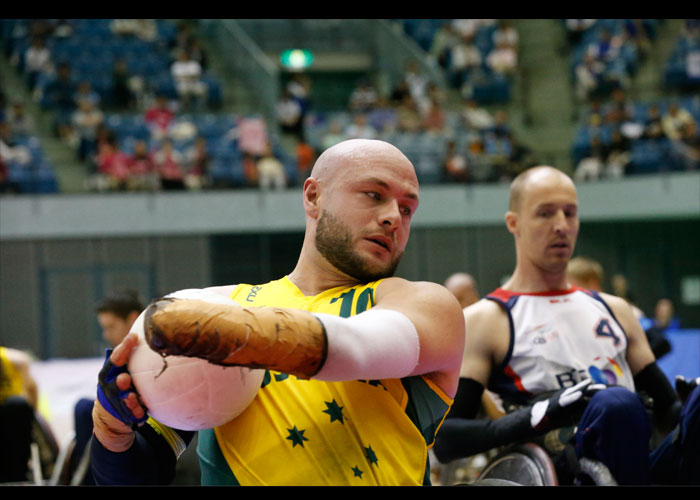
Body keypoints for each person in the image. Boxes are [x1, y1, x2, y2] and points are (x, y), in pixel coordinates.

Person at [89, 138, 465, 486]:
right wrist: (112, 430)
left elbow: (357, 346)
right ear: (313, 197)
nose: (393, 218)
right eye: (373, 194)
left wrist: (238, 335)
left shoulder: (428, 305)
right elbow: (136, 476)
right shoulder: (219, 305)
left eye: (407, 208)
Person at [433, 165, 700, 485]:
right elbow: (446, 438)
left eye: (569, 213)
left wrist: (689, 408)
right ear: (513, 223)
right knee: (616, 403)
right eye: (545, 214)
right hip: (562, 470)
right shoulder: (486, 319)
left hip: (639, 461)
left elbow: (668, 408)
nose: (561, 225)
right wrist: (537, 415)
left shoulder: (615, 309)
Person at [0, 346, 39, 483]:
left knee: (17, 406)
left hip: (12, 423)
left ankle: (16, 478)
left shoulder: (16, 361)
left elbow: (31, 392)